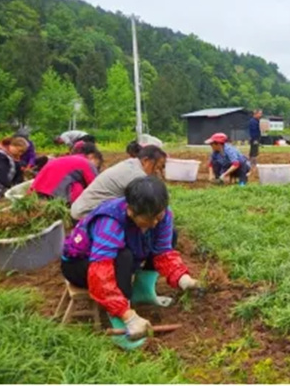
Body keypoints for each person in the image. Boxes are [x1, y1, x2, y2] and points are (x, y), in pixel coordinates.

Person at [61, 176, 202, 341]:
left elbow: (163, 252)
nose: (155, 222)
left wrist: (182, 278)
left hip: (116, 258)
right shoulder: (109, 221)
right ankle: (120, 321)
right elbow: (101, 275)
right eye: (148, 219)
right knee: (123, 256)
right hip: (81, 265)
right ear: (130, 211)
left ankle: (143, 292)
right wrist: (128, 316)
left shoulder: (162, 215)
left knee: (170, 235)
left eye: (158, 216)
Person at [71, 145, 168, 221]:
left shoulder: (131, 164)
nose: (159, 172)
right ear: (146, 161)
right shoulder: (137, 175)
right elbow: (153, 202)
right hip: (86, 214)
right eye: (158, 167)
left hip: (80, 210)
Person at [30, 143, 103, 205]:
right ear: (92, 156)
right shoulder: (87, 163)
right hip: (55, 193)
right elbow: (95, 186)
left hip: (37, 189)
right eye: (97, 164)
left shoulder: (66, 158)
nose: (96, 168)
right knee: (78, 187)